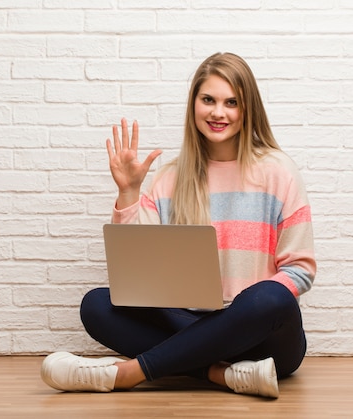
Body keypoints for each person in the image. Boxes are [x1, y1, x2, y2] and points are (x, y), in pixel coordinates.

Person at [40, 52, 316, 398]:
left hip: (263, 338)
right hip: (190, 324)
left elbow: (300, 271)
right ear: (194, 105)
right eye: (208, 100)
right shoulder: (171, 177)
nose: (218, 112)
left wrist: (244, 311)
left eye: (232, 102)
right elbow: (137, 271)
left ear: (248, 109)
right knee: (96, 305)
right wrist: (129, 193)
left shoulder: (279, 171)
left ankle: (130, 373)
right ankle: (220, 374)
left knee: (273, 297)